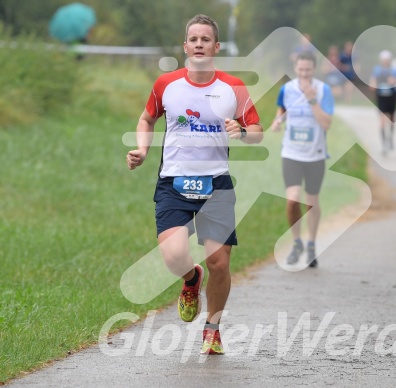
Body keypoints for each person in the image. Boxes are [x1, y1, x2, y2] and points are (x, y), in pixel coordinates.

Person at [126, 14, 263, 355]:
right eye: (194, 39)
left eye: (206, 39)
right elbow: (147, 118)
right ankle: (191, 279)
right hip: (173, 181)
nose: (199, 44)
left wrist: (242, 132)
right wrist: (142, 149)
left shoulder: (233, 88)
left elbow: (257, 131)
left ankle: (213, 330)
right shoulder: (167, 85)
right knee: (173, 256)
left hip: (216, 184)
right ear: (185, 45)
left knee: (221, 263)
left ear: (216, 46)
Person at [272, 51, 334, 268]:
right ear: (295, 69)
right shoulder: (286, 89)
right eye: (300, 70)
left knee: (312, 202)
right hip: (291, 153)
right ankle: (297, 241)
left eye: (308, 70)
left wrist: (312, 100)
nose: (304, 74)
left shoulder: (324, 90)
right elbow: (282, 109)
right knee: (292, 200)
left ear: (314, 69)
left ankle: (311, 245)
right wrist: (278, 120)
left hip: (315, 155)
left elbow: (326, 123)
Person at [369, 50, 396, 154]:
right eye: (383, 60)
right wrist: (373, 85)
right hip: (381, 98)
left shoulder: (394, 70)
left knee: (392, 119)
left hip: (392, 97)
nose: (385, 61)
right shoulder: (377, 70)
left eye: (387, 60)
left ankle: (390, 138)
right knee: (382, 121)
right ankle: (384, 144)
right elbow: (373, 80)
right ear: (381, 60)